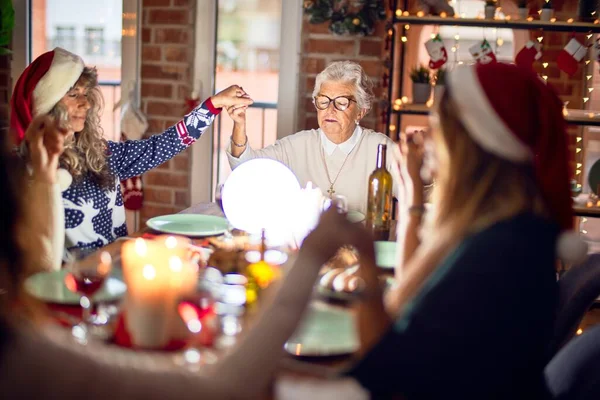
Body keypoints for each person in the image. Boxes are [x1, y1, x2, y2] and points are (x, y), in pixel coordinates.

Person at [0, 112, 371, 398]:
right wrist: (310, 258)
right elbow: (223, 387)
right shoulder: (24, 357)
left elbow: (44, 271)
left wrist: (45, 177)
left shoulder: (24, 337)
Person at [338, 63, 589, 398]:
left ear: (470, 142)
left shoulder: (500, 250)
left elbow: (381, 368)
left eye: (438, 125)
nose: (427, 136)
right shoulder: (493, 225)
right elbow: (409, 298)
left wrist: (360, 255)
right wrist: (410, 187)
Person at [10, 47, 253, 253]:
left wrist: (213, 105)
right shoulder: (24, 170)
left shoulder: (101, 154)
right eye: (73, 95)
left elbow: (164, 145)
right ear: (47, 103)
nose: (85, 104)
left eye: (86, 94)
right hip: (64, 292)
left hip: (112, 279)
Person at [225, 60, 400, 214]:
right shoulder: (298, 145)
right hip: (307, 247)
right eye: (323, 101)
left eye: (341, 103)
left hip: (360, 247)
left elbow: (418, 194)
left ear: (360, 112)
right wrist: (239, 125)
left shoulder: (380, 148)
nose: (330, 110)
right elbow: (245, 168)